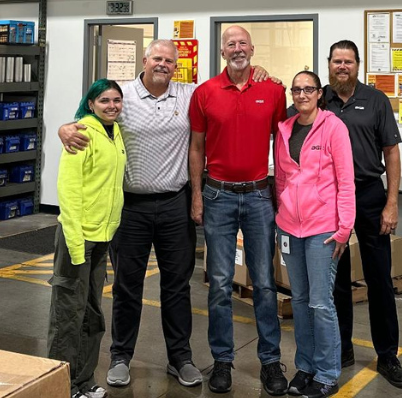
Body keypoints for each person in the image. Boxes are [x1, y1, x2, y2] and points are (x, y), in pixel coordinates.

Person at [57, 39, 274, 389]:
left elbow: (227, 86)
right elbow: (90, 120)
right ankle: (120, 356)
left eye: (169, 61)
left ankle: (180, 358)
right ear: (144, 60)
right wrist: (64, 127)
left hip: (176, 204)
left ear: (177, 66)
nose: (163, 65)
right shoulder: (122, 96)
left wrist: (258, 72)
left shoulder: (189, 94)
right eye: (157, 58)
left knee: (176, 287)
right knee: (127, 287)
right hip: (131, 207)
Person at [188, 25, 288, 395]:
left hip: (260, 196)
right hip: (218, 196)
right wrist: (197, 195)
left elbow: (283, 143)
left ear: (252, 49)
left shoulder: (273, 91)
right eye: (230, 44)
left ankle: (270, 361)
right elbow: (196, 148)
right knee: (219, 283)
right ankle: (222, 361)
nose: (237, 48)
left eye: (242, 43)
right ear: (222, 52)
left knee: (264, 282)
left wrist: (283, 193)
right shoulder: (205, 92)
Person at [323, 40, 402, 389]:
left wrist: (392, 202)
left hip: (369, 194)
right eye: (337, 61)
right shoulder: (319, 99)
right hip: (330, 198)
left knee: (379, 278)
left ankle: (387, 355)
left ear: (357, 65)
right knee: (336, 279)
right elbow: (285, 120)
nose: (342, 66)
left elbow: (391, 153)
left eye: (348, 61)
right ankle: (342, 348)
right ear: (329, 64)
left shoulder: (376, 100)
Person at [274, 71, 355, 398]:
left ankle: (327, 372)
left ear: (320, 93)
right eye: (296, 90)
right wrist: (280, 217)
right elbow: (282, 179)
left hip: (323, 229)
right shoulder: (285, 129)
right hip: (290, 228)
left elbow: (346, 181)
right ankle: (305, 367)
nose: (302, 94)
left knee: (321, 303)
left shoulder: (333, 127)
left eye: (309, 89)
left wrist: (344, 228)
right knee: (301, 300)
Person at [48, 78, 126, 398]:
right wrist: (76, 241)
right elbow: (68, 190)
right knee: (68, 315)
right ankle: (60, 386)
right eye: (104, 100)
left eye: (116, 100)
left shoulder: (114, 132)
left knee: (92, 312)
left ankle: (84, 381)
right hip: (77, 237)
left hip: (102, 236)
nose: (112, 106)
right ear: (91, 104)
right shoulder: (81, 134)